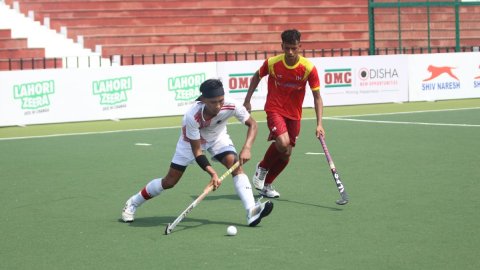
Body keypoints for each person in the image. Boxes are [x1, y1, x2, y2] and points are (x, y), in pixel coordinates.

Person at [122, 79, 273, 227]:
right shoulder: (192, 116)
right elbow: (197, 151)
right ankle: (133, 202)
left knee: (234, 165)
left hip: (217, 137)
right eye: (213, 102)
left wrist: (247, 147)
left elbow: (252, 124)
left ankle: (251, 211)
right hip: (191, 143)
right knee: (169, 181)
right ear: (203, 100)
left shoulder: (232, 104)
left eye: (221, 100)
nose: (218, 105)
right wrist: (213, 173)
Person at [243, 29, 325, 198]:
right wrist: (247, 99)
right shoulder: (272, 63)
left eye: (293, 48)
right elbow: (256, 76)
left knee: (286, 152)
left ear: (300, 47)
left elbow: (317, 97)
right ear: (282, 46)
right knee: (282, 142)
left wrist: (319, 124)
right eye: (286, 48)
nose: (290, 52)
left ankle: (267, 184)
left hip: (294, 114)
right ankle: (263, 167)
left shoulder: (308, 68)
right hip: (274, 108)